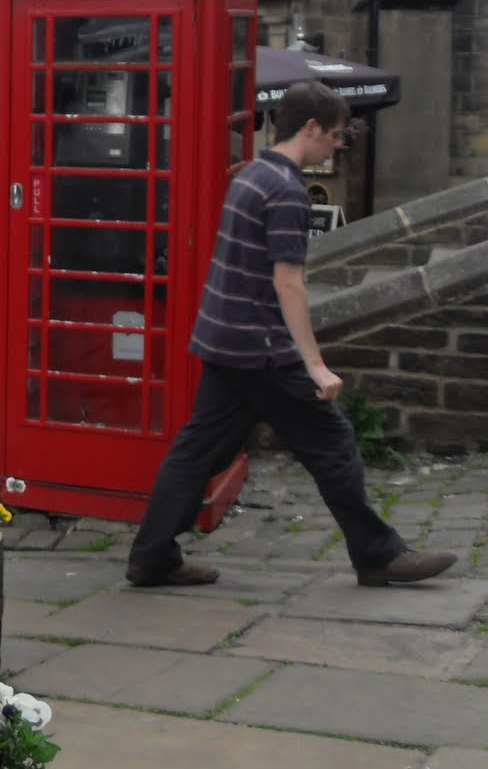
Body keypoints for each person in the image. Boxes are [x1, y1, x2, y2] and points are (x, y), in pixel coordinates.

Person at [127, 81, 453, 589]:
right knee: (332, 442)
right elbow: (289, 283)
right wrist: (315, 364)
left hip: (223, 336)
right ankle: (378, 554)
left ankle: (152, 556)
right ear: (311, 127)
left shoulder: (252, 175)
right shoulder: (286, 190)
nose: (338, 146)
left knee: (200, 450)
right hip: (260, 347)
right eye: (336, 135)